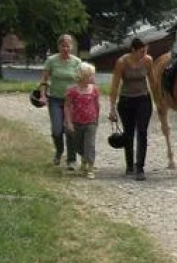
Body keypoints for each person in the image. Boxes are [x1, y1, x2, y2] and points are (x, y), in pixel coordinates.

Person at [108, 37, 154, 181]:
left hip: (143, 99)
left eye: (146, 51)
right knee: (129, 133)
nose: (144, 54)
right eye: (141, 51)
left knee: (142, 132)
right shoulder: (122, 62)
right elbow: (115, 85)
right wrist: (112, 108)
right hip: (127, 100)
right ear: (133, 50)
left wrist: (159, 100)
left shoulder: (148, 61)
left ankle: (140, 167)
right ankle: (129, 165)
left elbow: (152, 81)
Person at [39, 34, 82, 169]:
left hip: (71, 101)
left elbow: (82, 80)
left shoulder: (76, 62)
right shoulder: (51, 61)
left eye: (68, 46)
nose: (66, 48)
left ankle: (71, 160)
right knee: (57, 130)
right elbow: (44, 80)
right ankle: (59, 151)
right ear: (59, 47)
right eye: (63, 46)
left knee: (70, 129)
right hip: (56, 99)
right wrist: (43, 95)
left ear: (72, 47)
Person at [64, 62, 103, 179]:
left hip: (91, 121)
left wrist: (96, 118)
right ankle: (84, 161)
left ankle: (90, 167)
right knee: (78, 145)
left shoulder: (94, 90)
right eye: (91, 75)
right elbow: (67, 106)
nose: (93, 78)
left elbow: (97, 104)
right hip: (76, 122)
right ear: (83, 76)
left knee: (90, 145)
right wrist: (69, 122)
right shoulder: (72, 91)